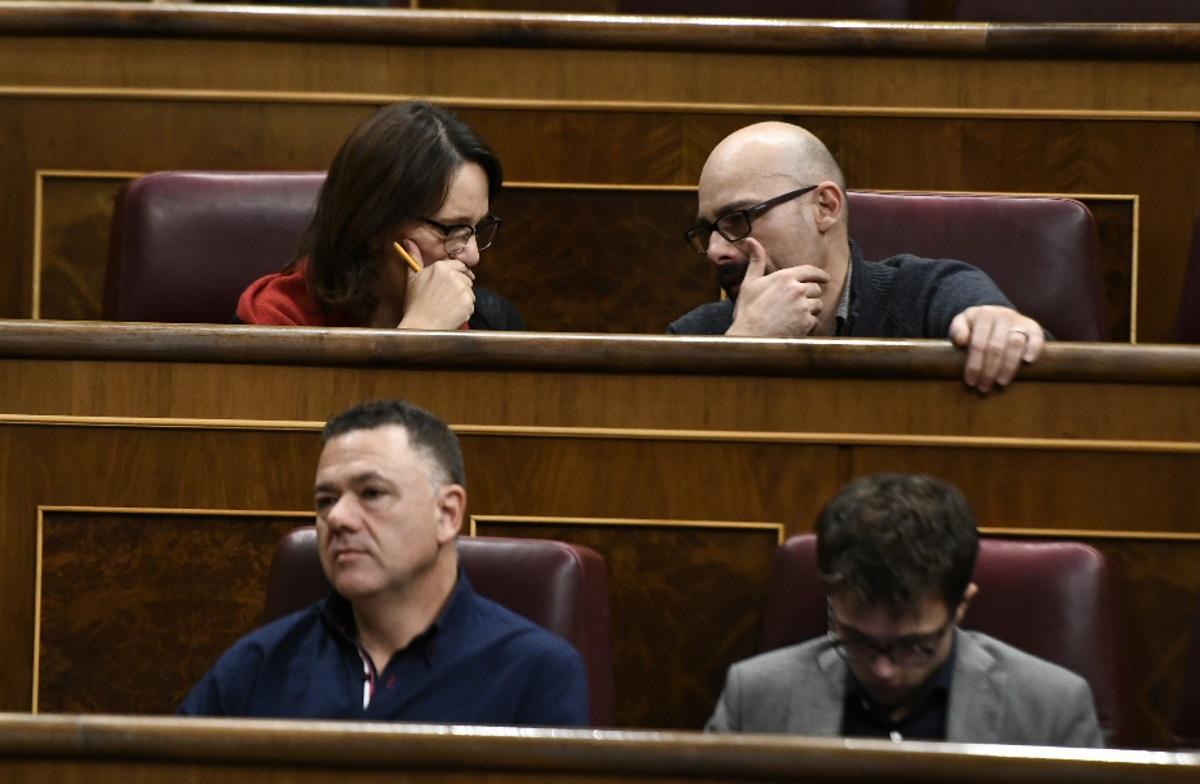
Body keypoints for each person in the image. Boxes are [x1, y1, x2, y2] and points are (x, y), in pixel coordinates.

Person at [180, 399, 587, 725]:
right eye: (325, 501)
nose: (337, 518)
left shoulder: (535, 672)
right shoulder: (258, 666)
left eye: (371, 493)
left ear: (446, 514)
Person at [706, 473, 1104, 747]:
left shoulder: (1050, 707)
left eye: (913, 646)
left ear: (961, 605)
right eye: (858, 641)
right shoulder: (756, 697)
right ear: (831, 598)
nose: (884, 670)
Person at [670, 122, 1046, 393]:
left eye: (739, 218)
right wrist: (743, 346)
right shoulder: (695, 336)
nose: (718, 250)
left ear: (825, 207)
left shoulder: (931, 295)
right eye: (708, 231)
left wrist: (1000, 330)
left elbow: (1039, 370)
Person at [235, 101, 523, 331]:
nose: (473, 255)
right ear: (374, 225)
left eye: (477, 228)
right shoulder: (272, 325)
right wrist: (420, 334)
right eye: (450, 229)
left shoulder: (493, 322)